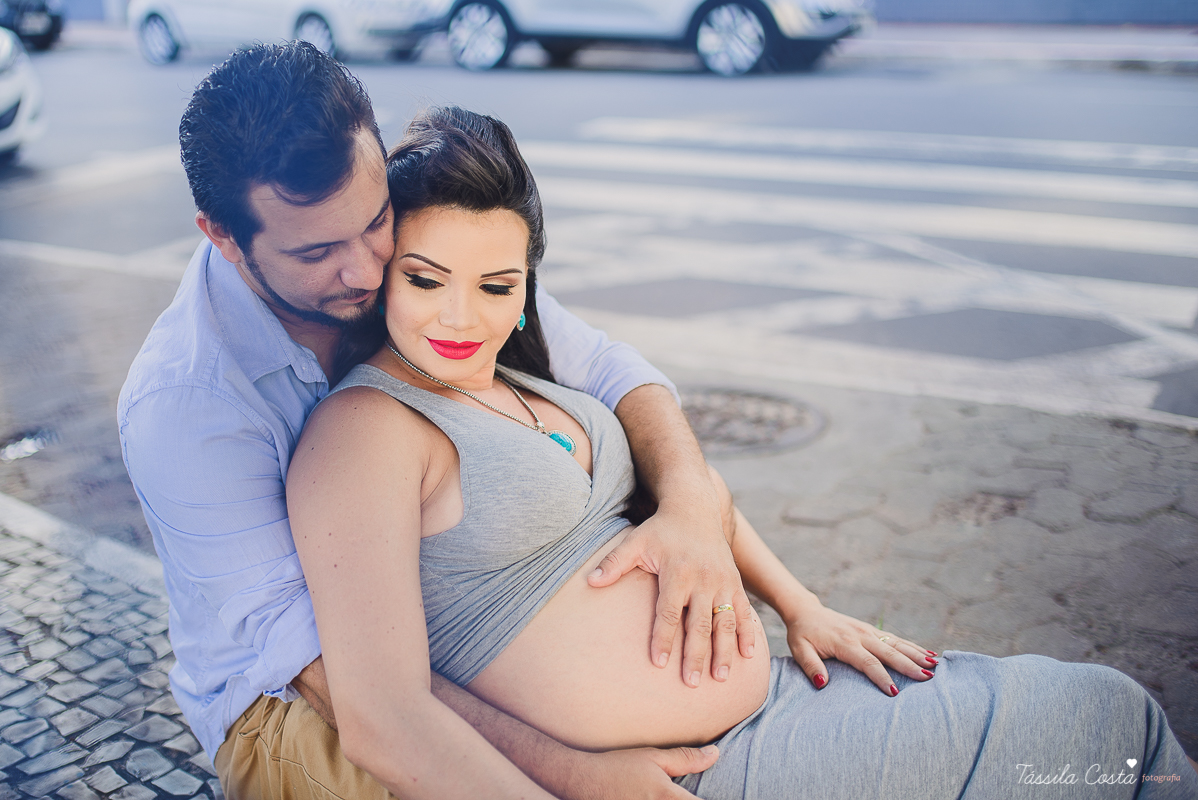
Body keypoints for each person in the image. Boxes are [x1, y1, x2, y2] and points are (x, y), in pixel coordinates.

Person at [286, 105, 1198, 800]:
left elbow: (691, 503)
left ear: (528, 292)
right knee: (1100, 731)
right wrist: (570, 778)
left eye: (495, 286)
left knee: (1107, 723)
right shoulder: (366, 431)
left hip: (776, 694)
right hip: (695, 771)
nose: (459, 316)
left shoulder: (528, 384)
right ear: (382, 276)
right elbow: (388, 708)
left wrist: (803, 606)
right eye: (425, 279)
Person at [116, 40, 841, 800]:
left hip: (427, 637)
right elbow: (328, 670)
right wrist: (570, 773)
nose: (364, 271)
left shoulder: (422, 274)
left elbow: (614, 371)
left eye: (373, 224)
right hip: (295, 706)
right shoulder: (186, 408)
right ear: (222, 237)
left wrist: (694, 510)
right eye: (320, 250)